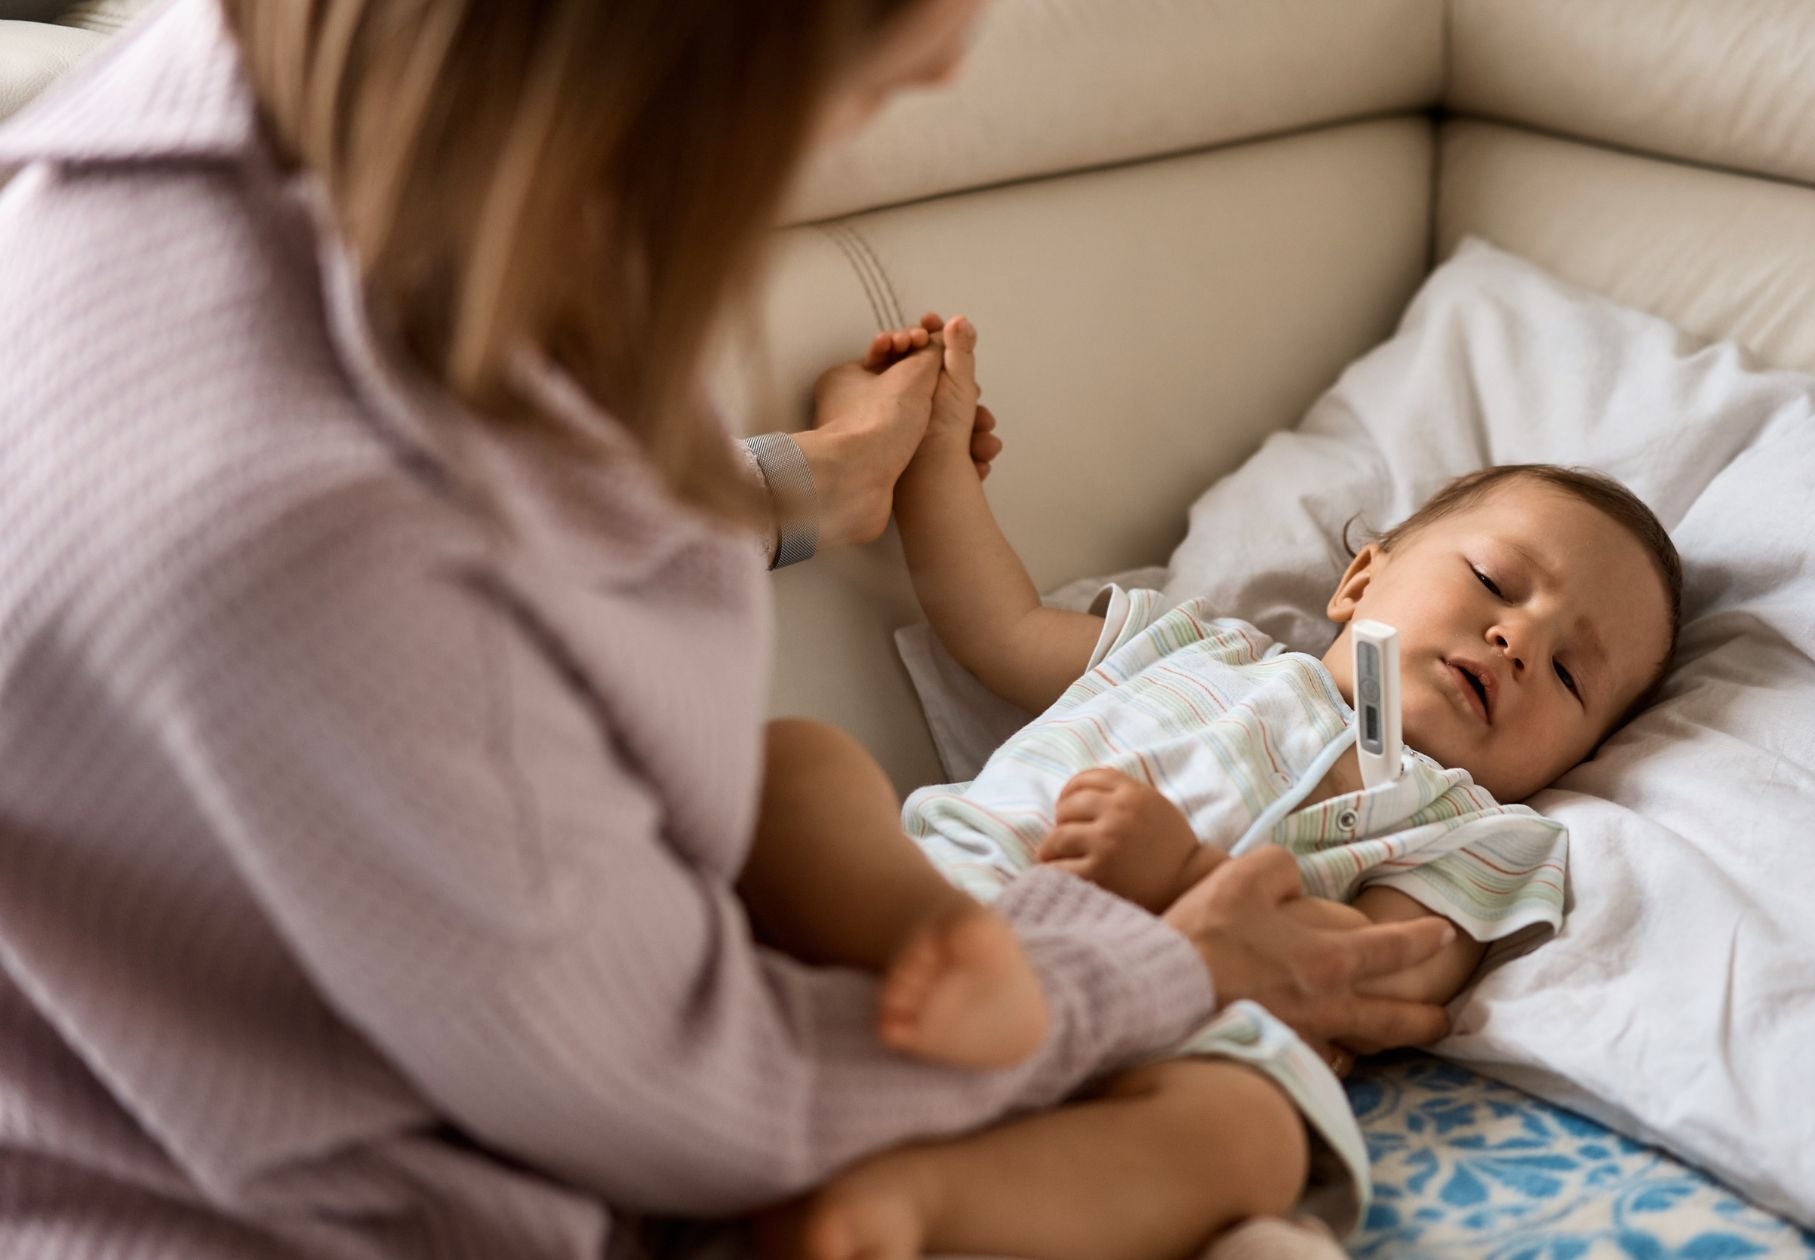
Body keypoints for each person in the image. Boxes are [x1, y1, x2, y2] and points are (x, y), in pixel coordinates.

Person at [0, 2, 1462, 1257]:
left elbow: (508, 542)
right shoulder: (327, 541)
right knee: (829, 787)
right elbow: (678, 1097)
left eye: (1578, 657)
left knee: (1238, 1131)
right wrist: (1172, 953)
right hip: (476, 1174)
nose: (955, 61)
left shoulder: (214, 141)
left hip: (726, 1007)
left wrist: (793, 485)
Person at [756, 318, 1683, 1259]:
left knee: (1256, 1135)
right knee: (797, 774)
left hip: (1185, 1029)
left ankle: (921, 1206)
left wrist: (1182, 870)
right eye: (1494, 581)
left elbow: (1379, 973)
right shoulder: (1193, 646)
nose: (1519, 642)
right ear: (1361, 581)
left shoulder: (1475, 829)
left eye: (1571, 675)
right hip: (962, 901)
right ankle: (930, 974)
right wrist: (938, 455)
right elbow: (995, 625)